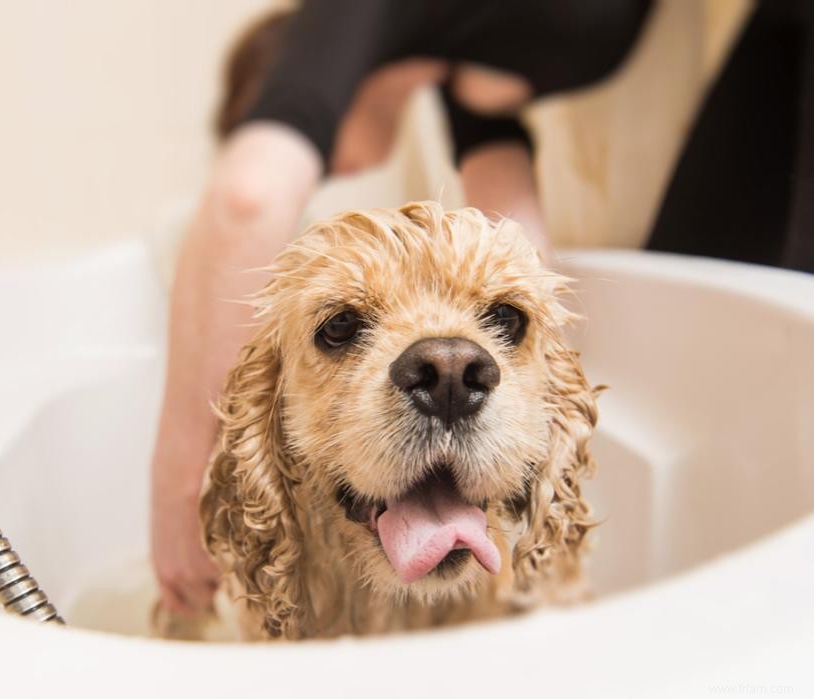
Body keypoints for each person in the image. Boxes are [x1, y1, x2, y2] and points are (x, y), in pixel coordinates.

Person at [152, 0, 814, 615]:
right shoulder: (464, 75)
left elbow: (243, 199)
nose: (324, 164)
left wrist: (183, 486)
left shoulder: (342, 16)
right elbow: (522, 246)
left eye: (310, 134)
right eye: (343, 327)